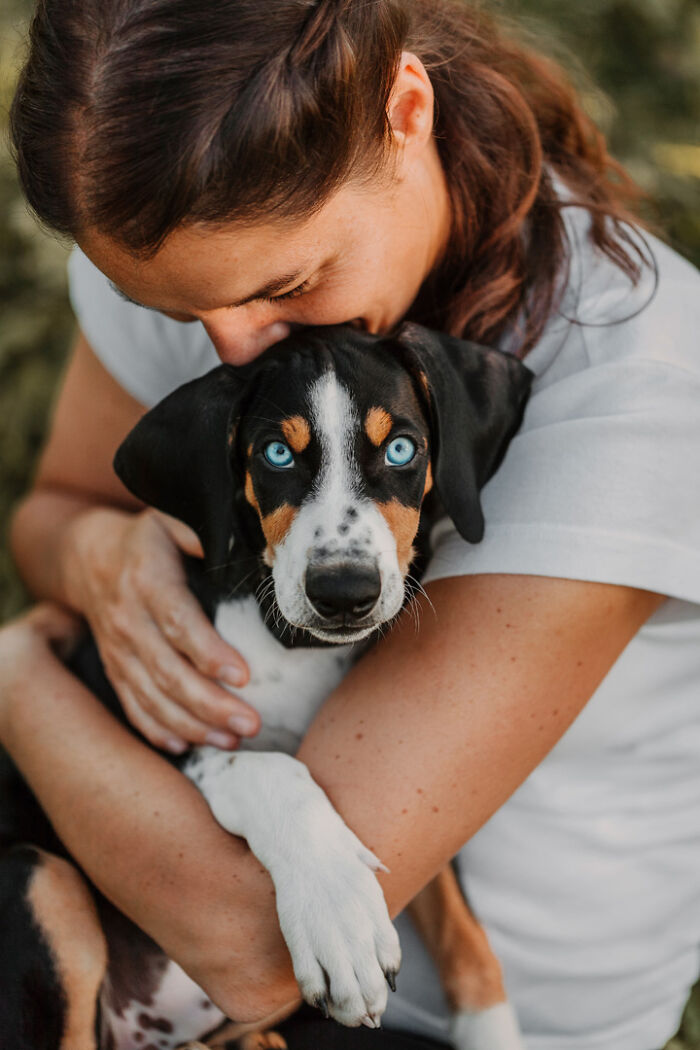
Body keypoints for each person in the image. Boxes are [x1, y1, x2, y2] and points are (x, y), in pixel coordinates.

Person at [4, 0, 700, 1047]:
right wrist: (97, 553)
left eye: (287, 285)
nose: (230, 353)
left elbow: (246, 942)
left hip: (443, 1017)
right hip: (149, 931)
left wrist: (15, 677)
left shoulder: (636, 392)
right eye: (182, 316)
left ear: (404, 109)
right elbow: (56, 515)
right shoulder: (196, 249)